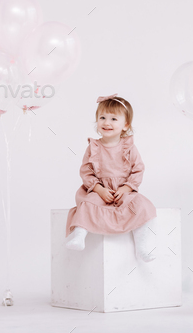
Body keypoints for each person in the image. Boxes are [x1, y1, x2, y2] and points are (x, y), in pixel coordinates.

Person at [64, 93, 158, 262]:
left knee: (142, 206)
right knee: (87, 204)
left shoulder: (129, 147)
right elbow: (86, 171)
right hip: (99, 189)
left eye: (114, 119)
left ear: (125, 124)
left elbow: (138, 170)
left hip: (123, 191)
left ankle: (141, 246)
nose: (107, 123)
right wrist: (99, 189)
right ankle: (79, 236)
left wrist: (127, 188)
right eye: (102, 118)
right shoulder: (94, 147)